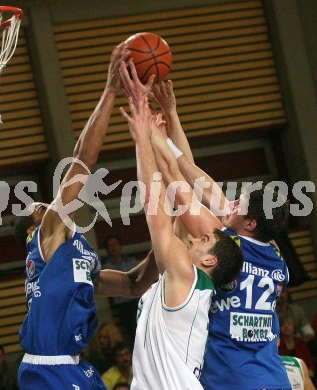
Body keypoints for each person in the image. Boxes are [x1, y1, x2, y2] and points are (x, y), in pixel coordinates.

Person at [119, 64, 291, 389]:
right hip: (272, 375)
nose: (230, 203)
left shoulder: (220, 238)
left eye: (238, 203)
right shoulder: (274, 252)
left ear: (250, 223)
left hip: (231, 380)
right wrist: (172, 113)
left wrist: (148, 128)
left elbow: (175, 174)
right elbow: (198, 177)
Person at [12, 42, 160, 390]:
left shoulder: (72, 262)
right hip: (50, 369)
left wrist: (166, 238)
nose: (49, 206)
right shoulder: (48, 237)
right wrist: (110, 91)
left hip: (75, 365)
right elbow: (82, 162)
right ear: (35, 229)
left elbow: (134, 284)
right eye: (41, 208)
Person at [120, 93, 243, 389]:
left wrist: (144, 137)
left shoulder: (186, 277)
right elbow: (180, 184)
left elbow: (157, 209)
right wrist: (160, 135)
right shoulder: (186, 277)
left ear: (209, 259)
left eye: (203, 238)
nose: (195, 236)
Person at [102, 235, 140, 346]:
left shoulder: (132, 261)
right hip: (123, 304)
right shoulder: (106, 267)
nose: (113, 248)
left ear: (120, 246)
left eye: (115, 244)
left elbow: (140, 279)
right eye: (110, 246)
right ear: (107, 249)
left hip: (138, 299)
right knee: (132, 332)